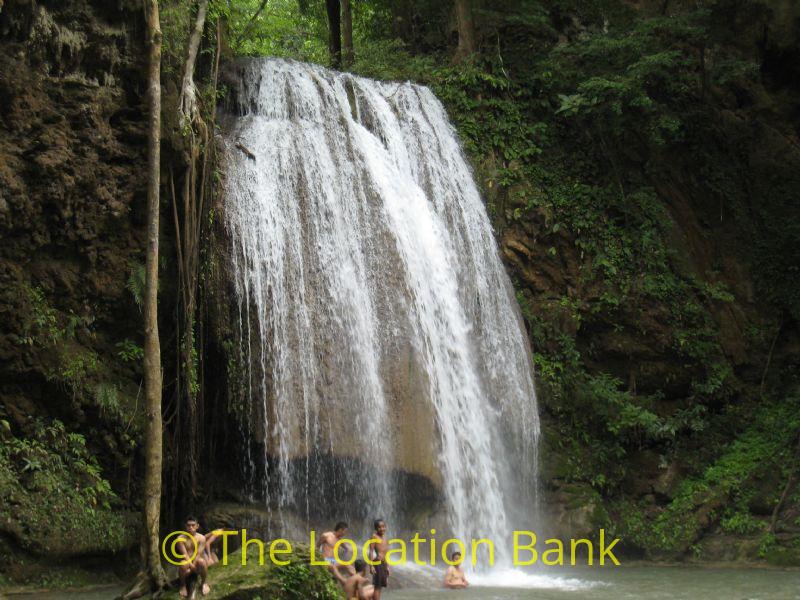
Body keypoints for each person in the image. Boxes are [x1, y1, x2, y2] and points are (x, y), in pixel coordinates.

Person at [177, 515, 210, 598]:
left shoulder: (202, 538)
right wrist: (191, 566)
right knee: (182, 563)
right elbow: (185, 554)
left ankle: (203, 583)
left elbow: (199, 554)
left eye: (193, 525)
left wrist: (194, 566)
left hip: (197, 563)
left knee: (202, 561)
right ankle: (183, 586)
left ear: (197, 526)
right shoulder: (180, 538)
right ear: (185, 526)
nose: (190, 527)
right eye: (188, 525)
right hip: (187, 564)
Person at [317, 521, 354, 585]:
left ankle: (357, 580)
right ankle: (344, 582)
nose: (345, 534)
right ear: (340, 529)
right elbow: (317, 547)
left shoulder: (339, 540)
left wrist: (346, 554)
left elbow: (347, 549)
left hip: (333, 561)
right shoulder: (326, 535)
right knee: (333, 566)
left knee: (348, 565)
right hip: (325, 560)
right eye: (345, 531)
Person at [368, 519, 390, 599]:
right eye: (379, 527)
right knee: (377, 586)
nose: (382, 529)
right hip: (377, 563)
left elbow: (386, 553)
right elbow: (370, 551)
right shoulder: (374, 536)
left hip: (383, 564)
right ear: (376, 528)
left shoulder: (386, 538)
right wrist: (371, 566)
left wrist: (387, 566)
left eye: (383, 527)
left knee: (380, 587)